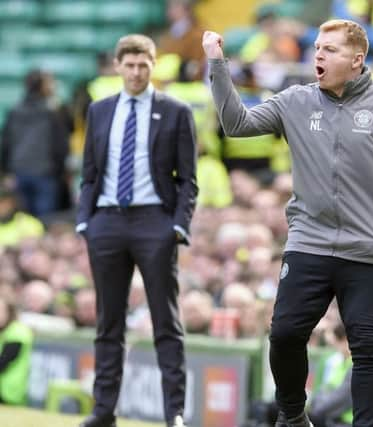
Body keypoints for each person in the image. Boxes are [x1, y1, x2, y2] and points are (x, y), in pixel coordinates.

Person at [203, 19, 373, 427]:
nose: (319, 55)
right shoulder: (295, 100)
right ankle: (292, 416)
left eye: (330, 49)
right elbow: (236, 124)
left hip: (369, 252)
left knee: (368, 351)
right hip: (309, 243)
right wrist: (217, 65)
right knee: (285, 334)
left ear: (357, 59)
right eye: (318, 48)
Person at [76, 34, 197, 427]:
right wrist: (85, 221)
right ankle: (103, 410)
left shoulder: (176, 111)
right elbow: (89, 173)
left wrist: (177, 225)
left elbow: (188, 179)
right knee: (108, 322)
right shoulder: (99, 110)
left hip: (153, 221)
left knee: (166, 320)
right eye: (129, 64)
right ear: (117, 66)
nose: (136, 72)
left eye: (143, 64)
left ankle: (174, 412)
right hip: (107, 221)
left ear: (154, 65)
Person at [0, 69, 70, 219]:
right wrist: (58, 170)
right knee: (44, 222)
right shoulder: (51, 112)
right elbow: (61, 146)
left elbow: (5, 143)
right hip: (45, 174)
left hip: (19, 172)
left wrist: (6, 171)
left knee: (22, 223)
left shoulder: (14, 111)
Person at [0, 295, 34, 405]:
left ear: (9, 312)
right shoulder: (5, 331)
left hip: (8, 391)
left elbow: (3, 362)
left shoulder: (18, 332)